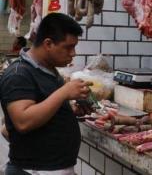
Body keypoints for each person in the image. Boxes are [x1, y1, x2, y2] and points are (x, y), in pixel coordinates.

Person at [0, 13, 92, 175]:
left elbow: (44, 106)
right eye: (68, 47)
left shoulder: (48, 70)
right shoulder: (19, 74)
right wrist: (63, 93)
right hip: (33, 171)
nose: (73, 53)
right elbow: (23, 121)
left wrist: (70, 110)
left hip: (55, 169)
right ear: (48, 43)